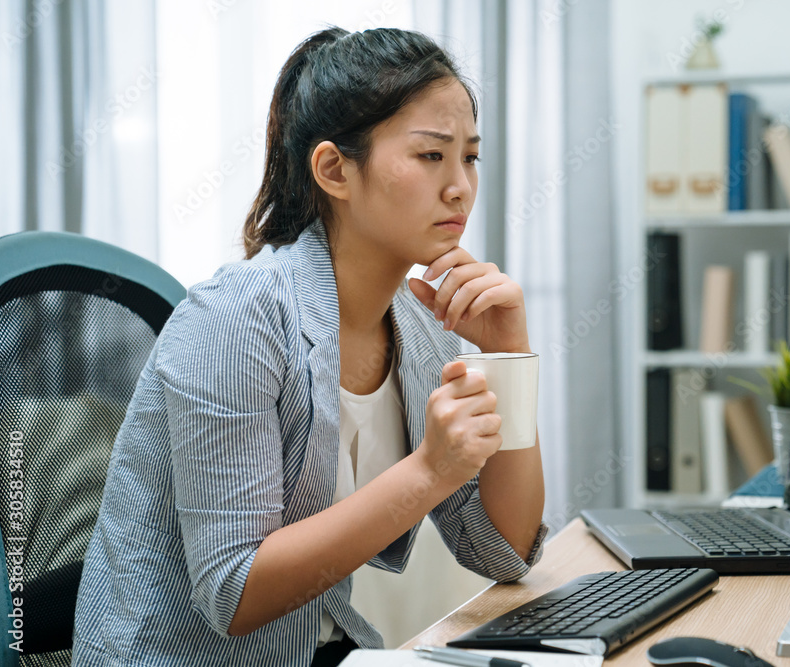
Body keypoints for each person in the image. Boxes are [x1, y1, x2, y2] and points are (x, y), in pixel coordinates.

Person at [72, 26, 547, 666]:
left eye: (470, 157)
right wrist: (431, 469)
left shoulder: (418, 325)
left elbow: (500, 550)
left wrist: (510, 356)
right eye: (432, 156)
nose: (460, 185)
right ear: (334, 170)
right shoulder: (236, 320)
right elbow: (233, 592)